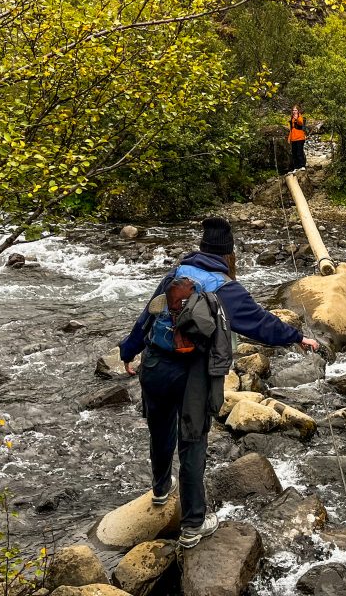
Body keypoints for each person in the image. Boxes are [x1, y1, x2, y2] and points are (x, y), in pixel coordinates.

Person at [119, 217, 320, 548]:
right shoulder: (226, 288)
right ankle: (193, 525)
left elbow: (147, 317)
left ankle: (159, 491)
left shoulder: (175, 275)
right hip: (191, 375)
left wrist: (129, 351)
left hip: (154, 366)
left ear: (201, 249)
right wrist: (297, 338)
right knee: (193, 440)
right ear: (229, 255)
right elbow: (260, 324)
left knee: (160, 428)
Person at [287, 104, 307, 173]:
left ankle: (302, 166)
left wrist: (296, 118)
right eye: (293, 110)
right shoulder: (292, 118)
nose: (294, 111)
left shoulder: (300, 117)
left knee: (299, 152)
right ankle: (296, 167)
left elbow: (301, 123)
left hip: (300, 138)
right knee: (294, 153)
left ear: (298, 111)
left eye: (295, 110)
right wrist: (289, 138)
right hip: (293, 138)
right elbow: (291, 129)